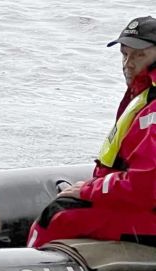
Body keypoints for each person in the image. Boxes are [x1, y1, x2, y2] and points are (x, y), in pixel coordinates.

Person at [28, 17, 156, 248]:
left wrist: (88, 190)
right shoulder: (143, 97)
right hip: (143, 203)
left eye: (139, 55)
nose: (128, 63)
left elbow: (145, 184)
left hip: (149, 211)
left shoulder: (152, 108)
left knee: (57, 217)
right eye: (124, 54)